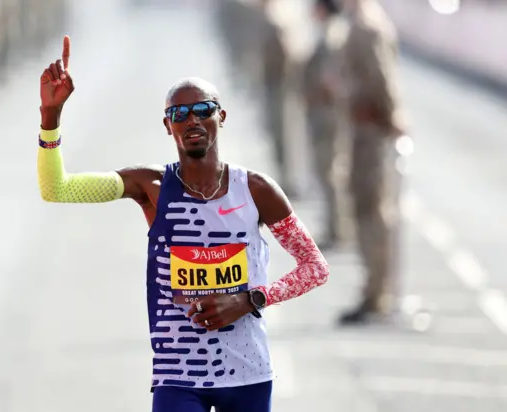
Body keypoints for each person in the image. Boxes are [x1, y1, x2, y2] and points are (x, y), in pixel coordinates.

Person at [36, 36, 330, 412]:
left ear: (220, 117)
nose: (192, 120)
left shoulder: (256, 190)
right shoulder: (152, 187)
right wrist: (50, 119)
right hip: (178, 377)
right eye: (179, 113)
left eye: (202, 109)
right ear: (167, 125)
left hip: (248, 375)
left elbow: (315, 268)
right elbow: (57, 189)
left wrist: (250, 299)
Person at [337, 0, 406, 325]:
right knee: (364, 206)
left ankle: (378, 294)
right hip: (363, 128)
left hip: (370, 130)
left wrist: (392, 117)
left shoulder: (367, 26)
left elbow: (382, 78)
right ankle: (374, 290)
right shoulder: (360, 23)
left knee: (372, 209)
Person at [302, 0, 348, 250]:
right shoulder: (332, 32)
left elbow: (331, 80)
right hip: (324, 112)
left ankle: (338, 228)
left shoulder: (331, 36)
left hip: (327, 114)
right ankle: (336, 226)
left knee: (329, 170)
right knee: (327, 170)